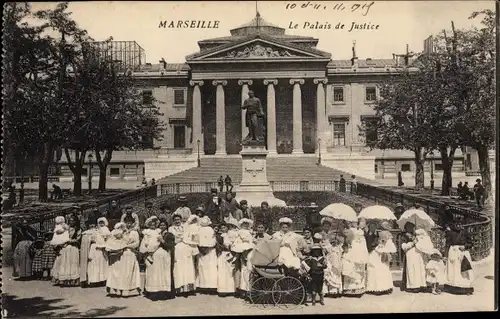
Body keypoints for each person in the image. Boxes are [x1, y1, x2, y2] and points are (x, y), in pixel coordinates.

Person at [106, 216, 141, 297]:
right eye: (127, 222)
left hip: (129, 253)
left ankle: (128, 289)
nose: (128, 224)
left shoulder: (134, 232)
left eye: (130, 223)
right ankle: (118, 288)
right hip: (120, 254)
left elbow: (137, 243)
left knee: (128, 272)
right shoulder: (120, 231)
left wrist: (127, 246)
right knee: (121, 272)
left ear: (133, 224)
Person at [143, 222, 175, 301]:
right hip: (156, 258)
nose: (162, 226)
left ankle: (164, 293)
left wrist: (162, 241)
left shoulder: (169, 234)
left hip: (164, 257)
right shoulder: (155, 233)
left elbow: (170, 246)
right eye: (161, 225)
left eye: (164, 225)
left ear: (166, 226)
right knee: (155, 275)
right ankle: (154, 293)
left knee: (164, 275)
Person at [52, 214, 82, 287]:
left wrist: (69, 241)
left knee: (72, 264)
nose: (71, 222)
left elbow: (78, 239)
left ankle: (73, 280)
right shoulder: (65, 228)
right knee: (64, 263)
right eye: (70, 221)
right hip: (64, 248)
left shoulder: (78, 229)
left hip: (73, 248)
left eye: (73, 221)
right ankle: (63, 280)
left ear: (75, 221)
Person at [444, 222, 474, 295]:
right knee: (453, 270)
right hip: (453, 253)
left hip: (463, 252)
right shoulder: (450, 233)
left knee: (464, 270)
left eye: (459, 224)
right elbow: (447, 244)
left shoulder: (465, 232)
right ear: (453, 225)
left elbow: (471, 243)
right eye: (456, 224)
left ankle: (465, 287)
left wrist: (465, 246)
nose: (458, 226)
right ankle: (454, 287)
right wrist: (445, 256)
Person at [341, 220, 369, 297]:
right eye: (353, 222)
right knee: (351, 266)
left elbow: (363, 241)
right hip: (352, 249)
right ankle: (350, 288)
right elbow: (347, 240)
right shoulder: (350, 230)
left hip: (360, 249)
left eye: (357, 222)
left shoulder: (361, 231)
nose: (355, 224)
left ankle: (359, 287)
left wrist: (364, 251)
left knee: (359, 267)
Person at [174, 215, 200, 295]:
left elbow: (193, 238)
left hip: (186, 248)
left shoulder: (187, 227)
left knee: (187, 267)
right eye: (175, 220)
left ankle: (188, 288)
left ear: (181, 220)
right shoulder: (171, 228)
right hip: (177, 248)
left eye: (178, 219)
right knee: (179, 268)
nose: (177, 221)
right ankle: (179, 288)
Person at [366, 230, 397, 295]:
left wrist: (384, 250)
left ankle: (383, 287)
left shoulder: (386, 239)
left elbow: (391, 249)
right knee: (378, 270)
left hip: (380, 256)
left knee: (381, 270)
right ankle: (379, 287)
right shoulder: (378, 238)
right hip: (376, 256)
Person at [400, 222, 427, 293]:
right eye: (409, 227)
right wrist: (412, 243)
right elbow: (403, 247)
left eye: (412, 227)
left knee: (418, 269)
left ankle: (420, 285)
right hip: (410, 254)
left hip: (418, 254)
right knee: (412, 270)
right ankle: (413, 286)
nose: (411, 228)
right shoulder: (404, 236)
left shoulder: (417, 235)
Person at [303, 234, 327, 306]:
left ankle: (321, 300)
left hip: (320, 274)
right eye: (314, 251)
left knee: (320, 288)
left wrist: (322, 265)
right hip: (313, 275)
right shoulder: (311, 259)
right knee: (313, 288)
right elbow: (306, 265)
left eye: (318, 251)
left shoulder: (322, 259)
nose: (316, 252)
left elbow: (325, 266)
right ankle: (313, 300)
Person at [197, 216, 218, 294]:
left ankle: (211, 286)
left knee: (209, 268)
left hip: (209, 250)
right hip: (204, 250)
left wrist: (205, 247)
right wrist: (201, 248)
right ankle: (204, 286)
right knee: (204, 268)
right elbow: (197, 239)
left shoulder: (210, 229)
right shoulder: (199, 229)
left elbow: (213, 240)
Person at [87, 217, 110, 286]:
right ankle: (95, 280)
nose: (101, 224)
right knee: (95, 264)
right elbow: (92, 238)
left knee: (103, 265)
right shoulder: (96, 230)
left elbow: (108, 239)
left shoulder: (106, 230)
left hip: (102, 249)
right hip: (96, 249)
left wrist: (105, 246)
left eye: (102, 223)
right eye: (100, 223)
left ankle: (103, 279)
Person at [216, 223, 236, 297]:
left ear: (227, 228)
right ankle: (222, 290)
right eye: (222, 228)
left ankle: (231, 290)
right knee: (222, 271)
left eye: (225, 227)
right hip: (222, 254)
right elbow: (217, 246)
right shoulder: (219, 236)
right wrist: (222, 248)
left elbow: (234, 244)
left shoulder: (231, 235)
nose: (223, 229)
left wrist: (231, 249)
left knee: (230, 271)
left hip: (230, 254)